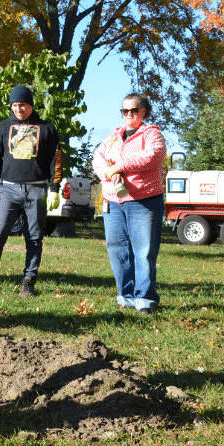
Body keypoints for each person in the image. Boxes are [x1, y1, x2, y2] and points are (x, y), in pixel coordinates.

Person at [0, 85, 62, 297]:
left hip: (36, 190)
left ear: (31, 105)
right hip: (8, 190)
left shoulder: (48, 128)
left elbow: (56, 160)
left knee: (34, 238)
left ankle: (28, 282)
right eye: (15, 105)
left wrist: (54, 188)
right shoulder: (3, 127)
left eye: (22, 105)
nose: (18, 109)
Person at [92, 93, 167, 315]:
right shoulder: (114, 136)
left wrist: (119, 166)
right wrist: (107, 171)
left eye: (134, 110)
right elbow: (98, 157)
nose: (129, 115)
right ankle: (126, 295)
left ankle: (145, 299)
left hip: (144, 201)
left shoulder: (152, 134)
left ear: (143, 111)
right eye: (125, 111)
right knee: (117, 249)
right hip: (114, 202)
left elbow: (153, 156)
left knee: (143, 251)